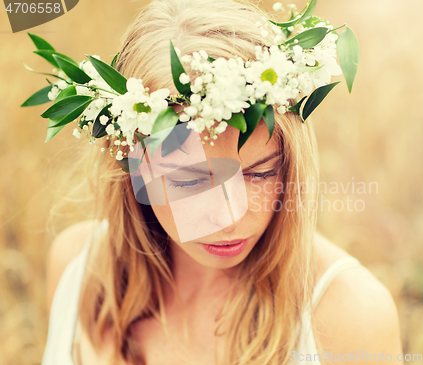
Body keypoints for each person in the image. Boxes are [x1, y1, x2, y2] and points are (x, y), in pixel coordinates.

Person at [41, 0, 403, 364]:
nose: (229, 217)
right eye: (190, 181)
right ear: (135, 170)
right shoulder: (78, 269)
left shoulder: (348, 315)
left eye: (260, 173)